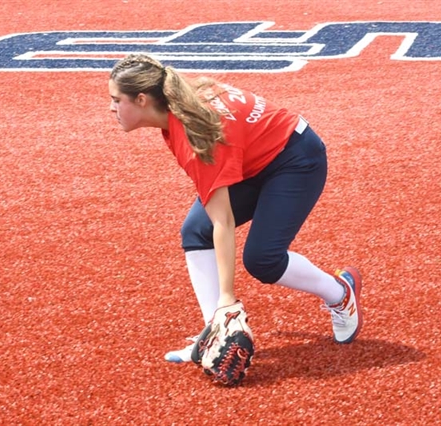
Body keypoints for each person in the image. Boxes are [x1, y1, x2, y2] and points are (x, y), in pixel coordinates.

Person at [108, 53, 363, 364]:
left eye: (116, 99)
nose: (112, 108)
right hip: (252, 161)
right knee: (195, 232)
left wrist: (227, 299)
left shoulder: (194, 135)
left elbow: (223, 222)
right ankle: (214, 335)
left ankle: (340, 293)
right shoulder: (182, 107)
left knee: (262, 260)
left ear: (143, 99)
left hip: (297, 160)